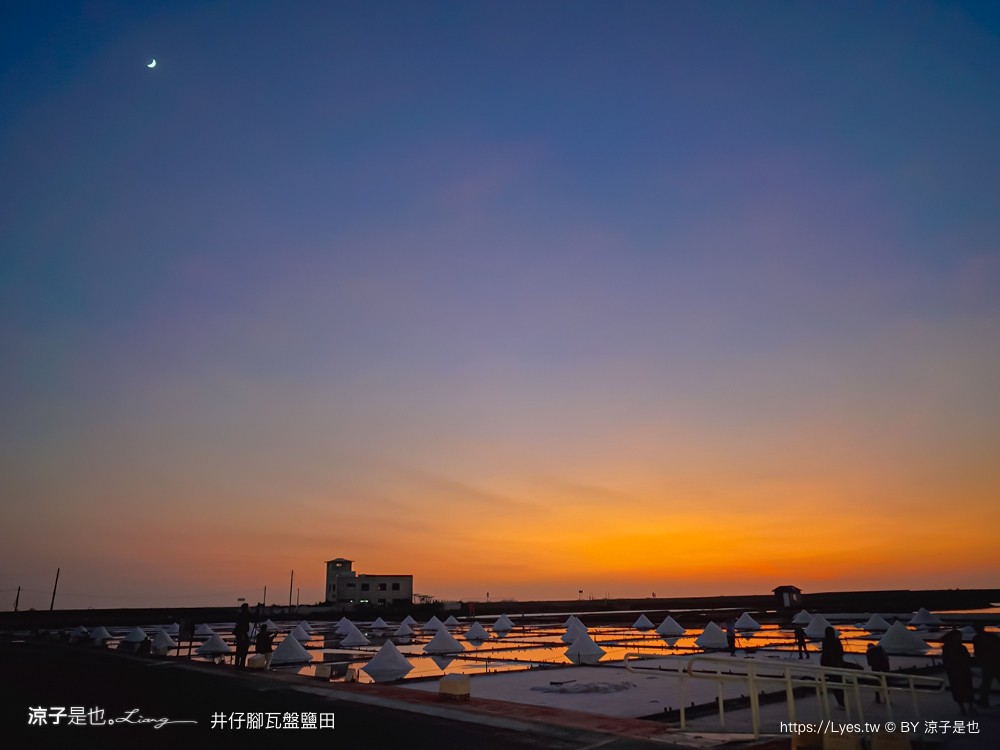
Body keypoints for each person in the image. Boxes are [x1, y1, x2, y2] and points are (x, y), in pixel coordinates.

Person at [942, 629, 975, 715]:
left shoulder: (948, 648)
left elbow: (946, 660)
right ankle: (965, 707)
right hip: (958, 671)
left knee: (960, 689)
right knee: (963, 689)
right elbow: (967, 659)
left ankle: (965, 707)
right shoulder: (959, 648)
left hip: (959, 671)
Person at [972, 624, 1000, 708]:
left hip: (987, 662)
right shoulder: (992, 637)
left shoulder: (976, 639)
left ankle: (984, 700)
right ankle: (983, 700)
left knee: (986, 682)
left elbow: (977, 652)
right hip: (996, 661)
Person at [821, 626, 846, 709]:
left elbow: (825, 653)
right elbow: (841, 652)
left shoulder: (825, 641)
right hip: (838, 665)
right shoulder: (837, 641)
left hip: (830, 666)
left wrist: (823, 664)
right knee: (839, 683)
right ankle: (842, 702)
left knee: (834, 684)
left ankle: (840, 702)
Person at [234, 603, 251, 670]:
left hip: (240, 634)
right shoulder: (245, 615)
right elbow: (254, 616)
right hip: (242, 634)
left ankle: (238, 665)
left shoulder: (240, 615)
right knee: (243, 650)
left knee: (239, 650)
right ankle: (241, 665)